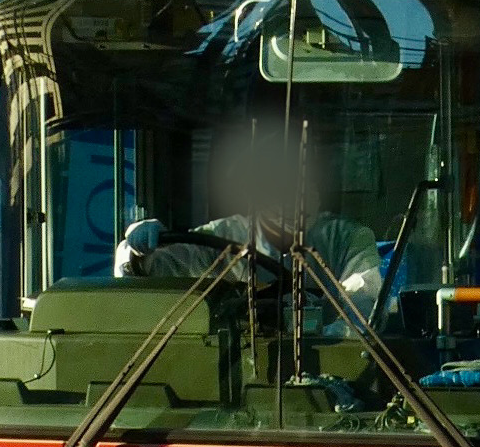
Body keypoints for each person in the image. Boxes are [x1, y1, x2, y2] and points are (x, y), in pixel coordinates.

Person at [116, 119, 383, 317]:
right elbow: (152, 270)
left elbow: (362, 306)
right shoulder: (219, 238)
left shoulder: (348, 239)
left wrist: (323, 326)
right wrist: (138, 249)